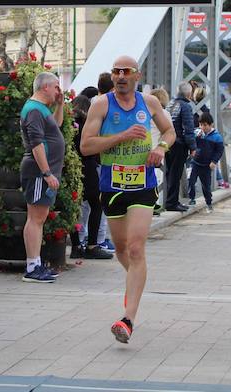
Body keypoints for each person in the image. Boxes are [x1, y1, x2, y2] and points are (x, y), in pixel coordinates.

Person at [81, 56, 175, 344]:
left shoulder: (149, 103)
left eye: (126, 72)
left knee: (136, 247)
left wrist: (160, 147)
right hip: (113, 185)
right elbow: (86, 146)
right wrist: (121, 136)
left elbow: (170, 132)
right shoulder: (101, 105)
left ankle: (128, 318)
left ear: (137, 75)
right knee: (122, 249)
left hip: (143, 184)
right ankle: (137, 278)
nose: (121, 76)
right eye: (116, 72)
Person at [19, 72, 65, 282]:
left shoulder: (41, 109)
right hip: (38, 172)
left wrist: (60, 106)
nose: (59, 91)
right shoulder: (34, 110)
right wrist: (46, 172)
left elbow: (56, 127)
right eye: (56, 87)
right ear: (45, 87)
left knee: (39, 217)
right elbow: (37, 143)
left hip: (43, 172)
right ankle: (32, 266)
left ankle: (35, 263)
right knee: (36, 218)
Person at [69, 95, 112, 260]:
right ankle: (92, 244)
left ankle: (75, 246)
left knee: (74, 207)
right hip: (88, 167)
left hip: (72, 169)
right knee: (96, 204)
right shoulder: (88, 124)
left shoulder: (69, 125)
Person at [165, 82, 197, 211]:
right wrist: (193, 147)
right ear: (189, 94)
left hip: (168, 142)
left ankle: (169, 200)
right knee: (175, 173)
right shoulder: (185, 106)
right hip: (179, 144)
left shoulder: (170, 104)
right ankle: (172, 203)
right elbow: (188, 129)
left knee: (169, 172)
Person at [187, 113, 224, 213]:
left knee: (206, 186)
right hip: (195, 162)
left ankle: (209, 203)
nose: (202, 127)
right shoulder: (198, 133)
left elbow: (219, 151)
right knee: (191, 180)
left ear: (211, 124)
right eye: (201, 125)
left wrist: (214, 161)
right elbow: (190, 141)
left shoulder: (217, 137)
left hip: (207, 165)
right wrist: (195, 138)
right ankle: (191, 199)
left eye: (205, 125)